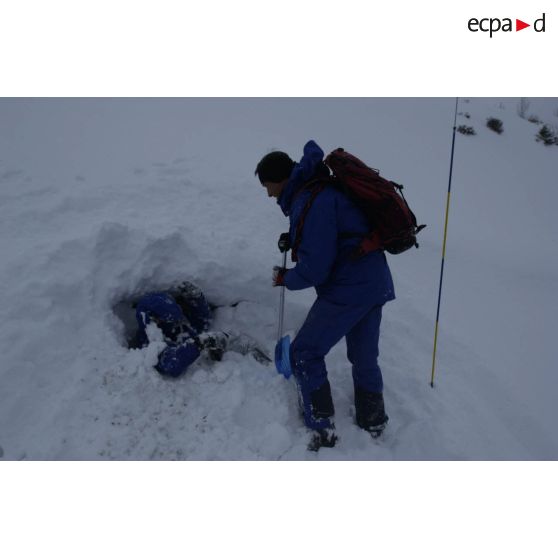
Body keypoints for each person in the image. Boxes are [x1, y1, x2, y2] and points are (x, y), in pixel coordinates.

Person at [255, 140, 395, 450]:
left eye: (268, 186)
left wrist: (286, 278)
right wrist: (293, 238)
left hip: (348, 289)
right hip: (373, 283)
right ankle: (373, 420)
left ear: (281, 178)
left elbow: (316, 268)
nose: (268, 194)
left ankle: (321, 427)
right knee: (363, 356)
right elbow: (337, 232)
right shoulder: (319, 190)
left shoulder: (311, 199)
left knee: (305, 352)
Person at [129, 281, 270, 377]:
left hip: (214, 350)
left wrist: (197, 300)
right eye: (172, 320)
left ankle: (266, 365)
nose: (177, 322)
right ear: (154, 319)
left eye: (178, 317)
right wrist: (198, 343)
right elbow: (171, 364)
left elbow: (201, 323)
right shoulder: (149, 344)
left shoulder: (173, 322)